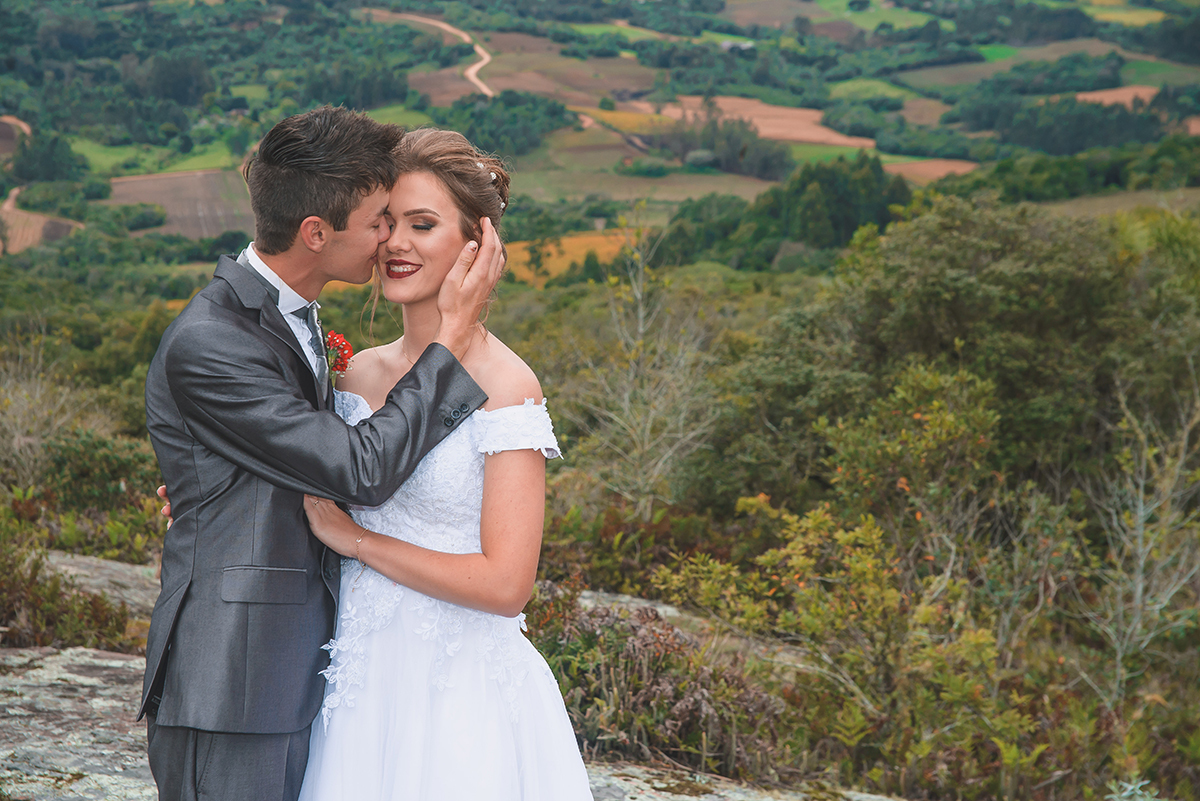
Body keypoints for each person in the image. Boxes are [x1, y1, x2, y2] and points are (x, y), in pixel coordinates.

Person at [141, 108, 504, 801]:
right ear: (316, 232)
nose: (388, 239)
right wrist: (452, 339)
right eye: (378, 221)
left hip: (310, 673)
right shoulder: (213, 340)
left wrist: (213, 495)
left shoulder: (294, 317)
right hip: (235, 686)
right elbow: (360, 470)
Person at [296, 128, 593, 800]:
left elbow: (506, 584)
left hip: (459, 692)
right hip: (358, 685)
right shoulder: (355, 374)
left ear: (476, 244)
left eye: (422, 224)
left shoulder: (507, 384)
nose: (396, 243)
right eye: (387, 223)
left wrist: (357, 541)